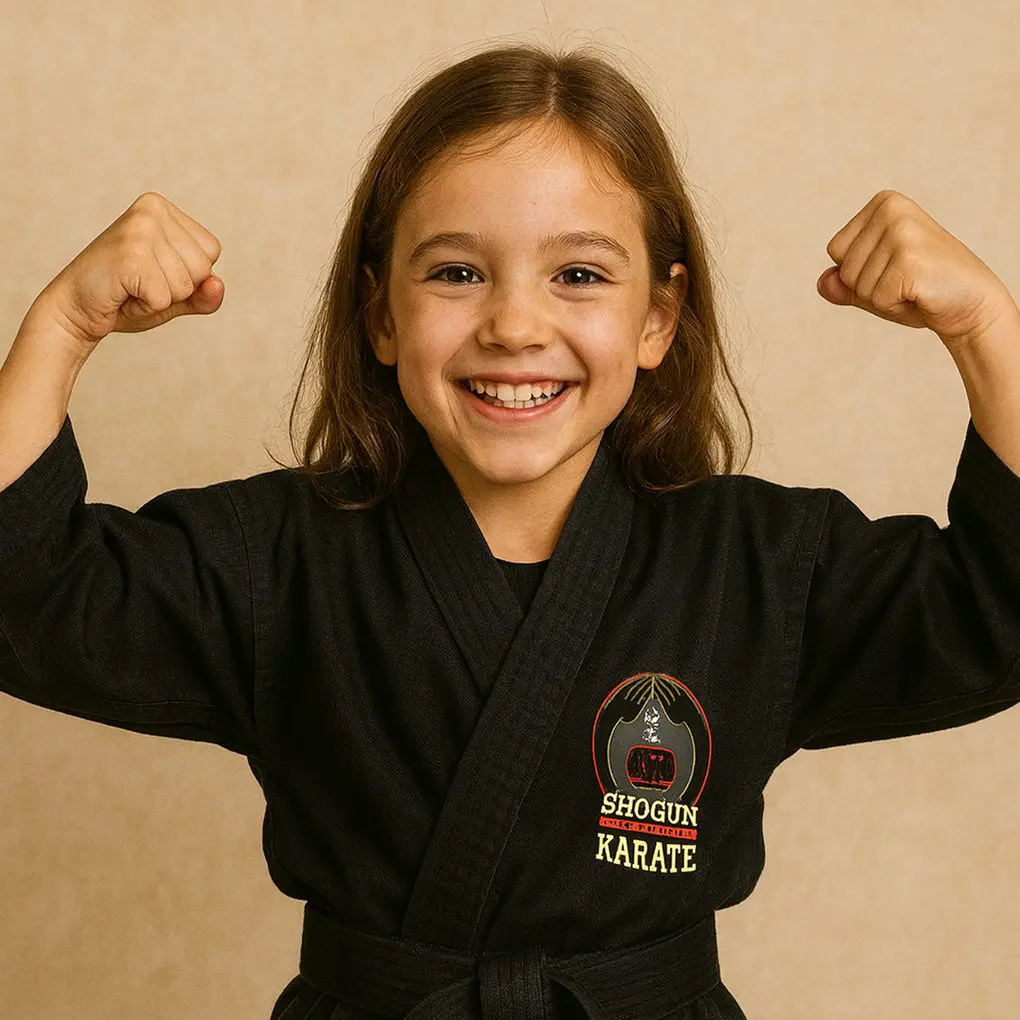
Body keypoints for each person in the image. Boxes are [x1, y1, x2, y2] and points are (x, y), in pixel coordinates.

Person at [1, 41, 1019, 1020]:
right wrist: (60, 327)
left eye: (578, 275)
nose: (515, 325)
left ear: (659, 319)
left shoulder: (756, 571)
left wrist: (987, 330)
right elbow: (26, 597)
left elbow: (998, 615)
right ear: (381, 316)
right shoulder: (283, 561)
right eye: (455, 273)